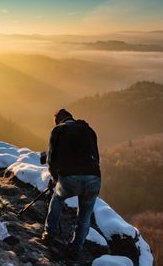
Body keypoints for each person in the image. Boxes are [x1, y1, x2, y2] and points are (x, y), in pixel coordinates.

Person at [42, 109, 101, 262]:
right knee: (85, 217)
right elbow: (96, 157)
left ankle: (50, 233)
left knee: (57, 199)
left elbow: (51, 159)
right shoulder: (88, 130)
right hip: (94, 177)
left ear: (58, 120)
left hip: (69, 176)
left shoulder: (58, 130)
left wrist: (56, 179)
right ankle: (76, 248)